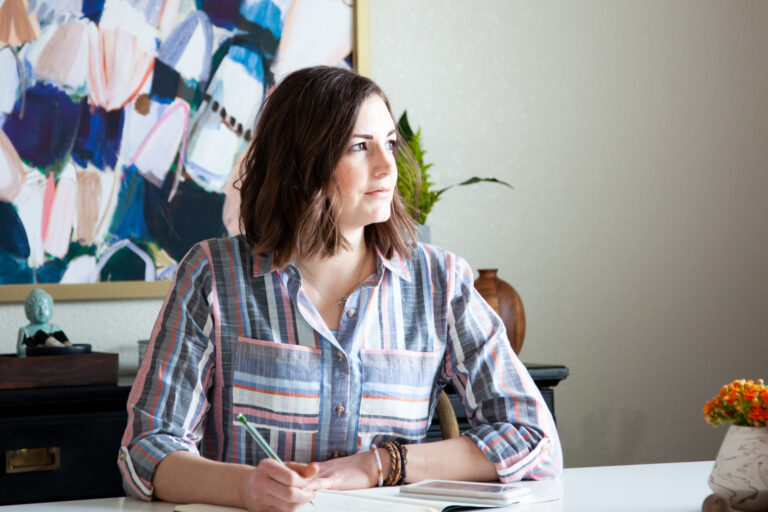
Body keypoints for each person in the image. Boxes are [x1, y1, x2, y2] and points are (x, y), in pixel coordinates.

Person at [119, 66, 562, 512]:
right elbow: (147, 450)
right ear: (298, 167)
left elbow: (533, 438)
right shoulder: (212, 275)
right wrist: (247, 488)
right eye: (359, 147)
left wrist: (381, 464)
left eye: (389, 143)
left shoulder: (441, 281)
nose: (387, 165)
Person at [17, 288, 72, 357]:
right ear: (29, 311)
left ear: (51, 309)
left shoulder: (55, 328)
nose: (42, 312)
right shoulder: (25, 331)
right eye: (38, 308)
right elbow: (21, 351)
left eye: (45, 307)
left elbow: (66, 347)